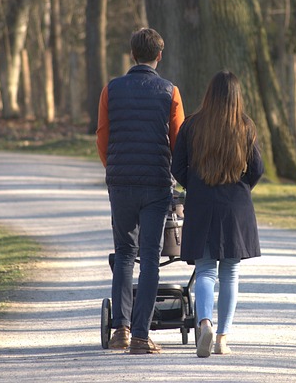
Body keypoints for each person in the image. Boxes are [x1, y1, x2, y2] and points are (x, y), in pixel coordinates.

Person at [96, 28, 185, 354]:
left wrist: (114, 169)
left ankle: (120, 329)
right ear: (159, 55)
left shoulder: (111, 90)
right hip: (156, 184)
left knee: (124, 254)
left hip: (120, 184)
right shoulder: (169, 92)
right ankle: (141, 336)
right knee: (149, 257)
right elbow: (178, 141)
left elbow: (102, 137)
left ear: (132, 54)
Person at [171, 70, 264, 358]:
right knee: (230, 273)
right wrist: (240, 186)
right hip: (235, 207)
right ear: (237, 97)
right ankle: (223, 336)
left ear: (209, 95)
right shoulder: (246, 127)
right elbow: (257, 169)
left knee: (206, 271)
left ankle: (204, 323)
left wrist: (196, 185)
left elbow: (177, 167)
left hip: (202, 204)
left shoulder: (192, 126)